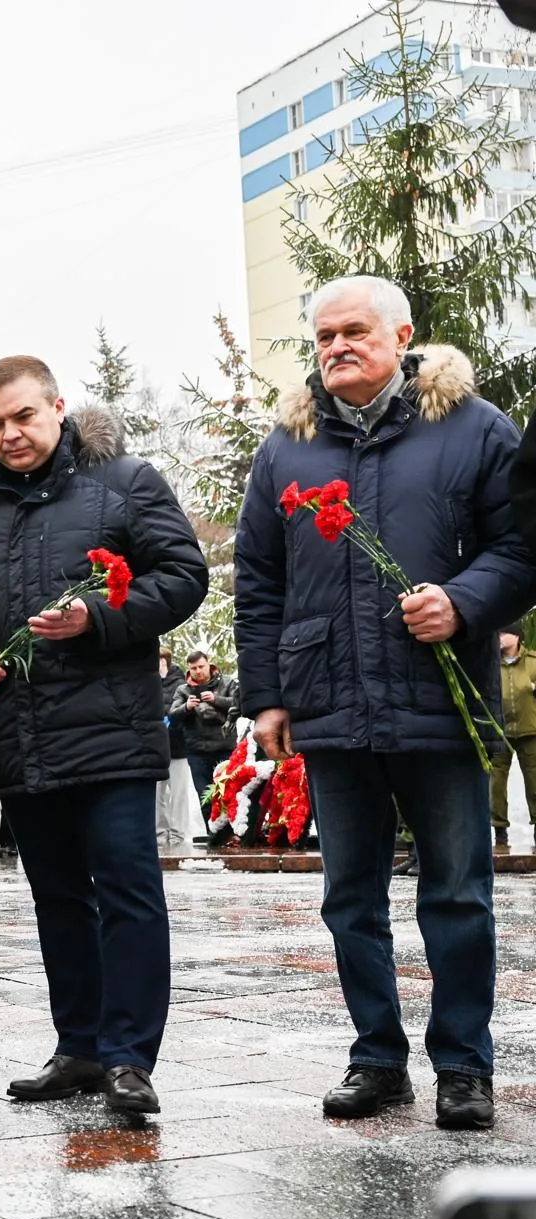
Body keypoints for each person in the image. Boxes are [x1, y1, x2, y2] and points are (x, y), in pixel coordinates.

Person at [235, 275, 536, 1131]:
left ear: (402, 335)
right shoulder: (285, 450)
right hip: (328, 700)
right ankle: (377, 1057)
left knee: (457, 892)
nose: (336, 346)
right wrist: (266, 696)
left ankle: (464, 1067)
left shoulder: (476, 430)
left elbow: (520, 548)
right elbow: (258, 581)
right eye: (323, 335)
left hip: (438, 699)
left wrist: (465, 600)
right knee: (350, 898)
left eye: (355, 331)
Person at [0, 356, 207, 1117]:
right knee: (56, 898)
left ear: (58, 407)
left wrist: (100, 617)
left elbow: (183, 574)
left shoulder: (125, 482)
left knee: (127, 891)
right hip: (16, 732)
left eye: (22, 417)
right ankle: (78, 1045)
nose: (8, 435)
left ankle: (129, 1058)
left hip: (111, 730)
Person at [170, 652, 237, 836]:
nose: (198, 671)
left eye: (201, 666)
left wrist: (217, 700)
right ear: (189, 670)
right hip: (196, 752)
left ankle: (234, 836)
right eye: (193, 668)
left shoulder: (227, 683)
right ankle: (213, 836)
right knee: (204, 797)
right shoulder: (183, 690)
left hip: (225, 749)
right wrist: (186, 707)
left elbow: (240, 705)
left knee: (229, 795)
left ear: (209, 665)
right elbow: (172, 715)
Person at [493, 629, 536, 849]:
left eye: (504, 633)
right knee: (496, 784)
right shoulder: (491, 664)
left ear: (517, 636)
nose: (499, 637)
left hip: (531, 732)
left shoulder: (532, 662)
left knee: (535, 781)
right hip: (500, 733)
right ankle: (500, 831)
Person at [155, 652, 198, 849]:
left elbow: (183, 712)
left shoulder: (181, 684)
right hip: (155, 749)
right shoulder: (149, 682)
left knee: (178, 794)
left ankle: (178, 834)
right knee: (157, 796)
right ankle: (159, 833)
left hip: (178, 747)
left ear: (163, 661)